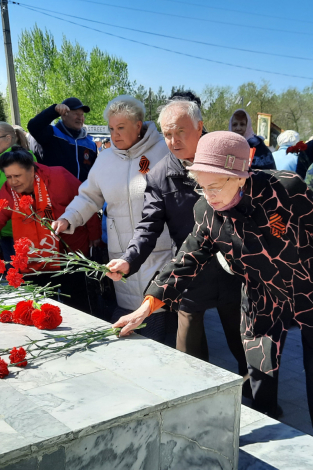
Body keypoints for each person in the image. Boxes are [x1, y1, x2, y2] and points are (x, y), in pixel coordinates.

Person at [113, 131, 313, 448]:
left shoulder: (286, 189)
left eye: (215, 185)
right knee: (260, 376)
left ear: (240, 177)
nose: (208, 194)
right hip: (261, 299)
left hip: (312, 294)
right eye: (202, 185)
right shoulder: (206, 211)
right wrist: (146, 307)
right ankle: (270, 443)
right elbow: (185, 260)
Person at [106, 100, 248, 385]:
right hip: (190, 272)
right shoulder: (161, 175)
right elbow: (148, 225)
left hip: (235, 272)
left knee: (246, 347)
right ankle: (199, 404)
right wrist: (129, 259)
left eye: (180, 132)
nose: (173, 141)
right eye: (167, 134)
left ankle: (262, 404)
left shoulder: (227, 158)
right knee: (189, 357)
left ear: (199, 126)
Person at [51, 95, 174, 342]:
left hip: (160, 252)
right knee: (129, 326)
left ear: (138, 126)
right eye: (111, 128)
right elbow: (89, 196)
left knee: (161, 319)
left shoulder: (164, 151)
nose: (114, 135)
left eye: (121, 128)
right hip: (121, 255)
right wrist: (69, 218)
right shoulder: (105, 158)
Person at [0, 146, 101, 312]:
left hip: (69, 252)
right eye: (9, 177)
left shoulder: (58, 177)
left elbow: (85, 203)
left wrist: (95, 236)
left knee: (77, 302)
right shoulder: (9, 190)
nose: (13, 182)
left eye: (17, 176)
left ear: (32, 169)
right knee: (41, 305)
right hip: (34, 258)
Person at [0, 122, 36, 261]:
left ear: (8, 138)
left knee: (20, 275)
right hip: (2, 230)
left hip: (20, 231)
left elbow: (32, 194)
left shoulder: (25, 159)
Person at [27, 98, 97, 182]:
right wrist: (53, 110)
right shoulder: (51, 134)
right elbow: (33, 126)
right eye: (76, 114)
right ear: (64, 115)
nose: (80, 118)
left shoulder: (90, 144)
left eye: (82, 115)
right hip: (54, 193)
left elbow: (95, 173)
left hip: (82, 194)